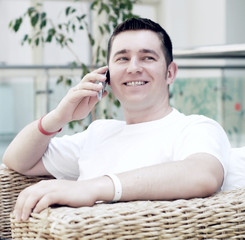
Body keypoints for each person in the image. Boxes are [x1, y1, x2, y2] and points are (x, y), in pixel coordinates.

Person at [3, 17, 231, 221]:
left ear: (170, 73)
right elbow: (17, 160)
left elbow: (203, 174)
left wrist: (94, 188)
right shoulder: (98, 132)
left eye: (147, 57)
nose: (133, 68)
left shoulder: (195, 127)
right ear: (107, 76)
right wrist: (59, 116)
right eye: (122, 59)